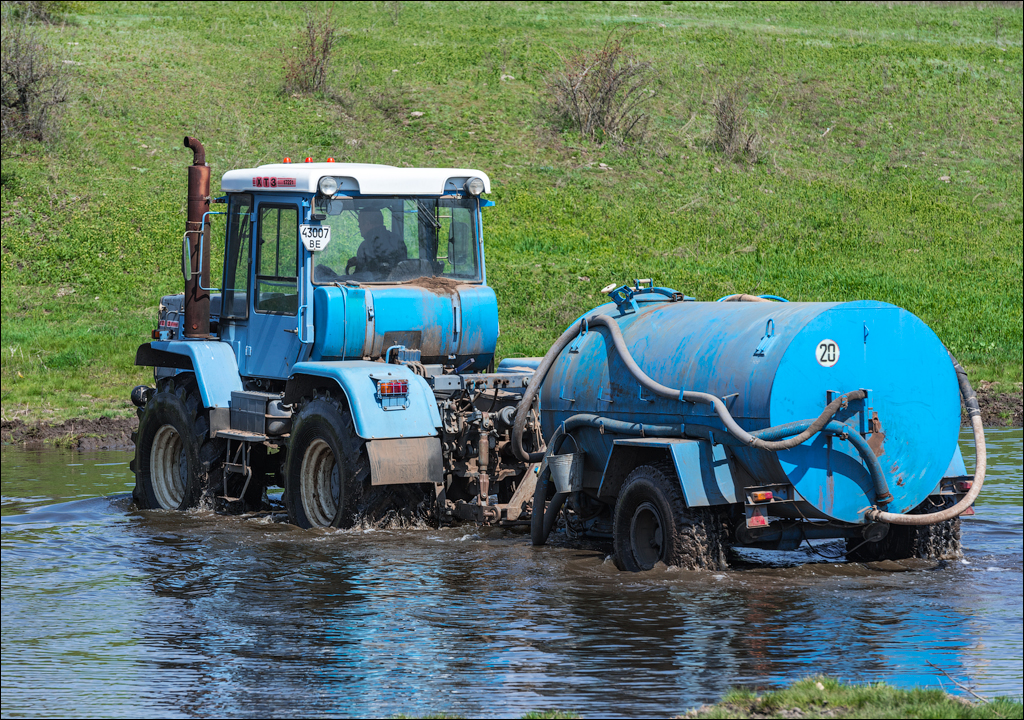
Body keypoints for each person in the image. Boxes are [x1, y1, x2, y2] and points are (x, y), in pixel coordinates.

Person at [349, 208, 407, 275]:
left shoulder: (365, 246)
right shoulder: (397, 240)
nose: (359, 226)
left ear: (368, 224)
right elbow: (403, 267)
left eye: (360, 223)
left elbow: (358, 277)